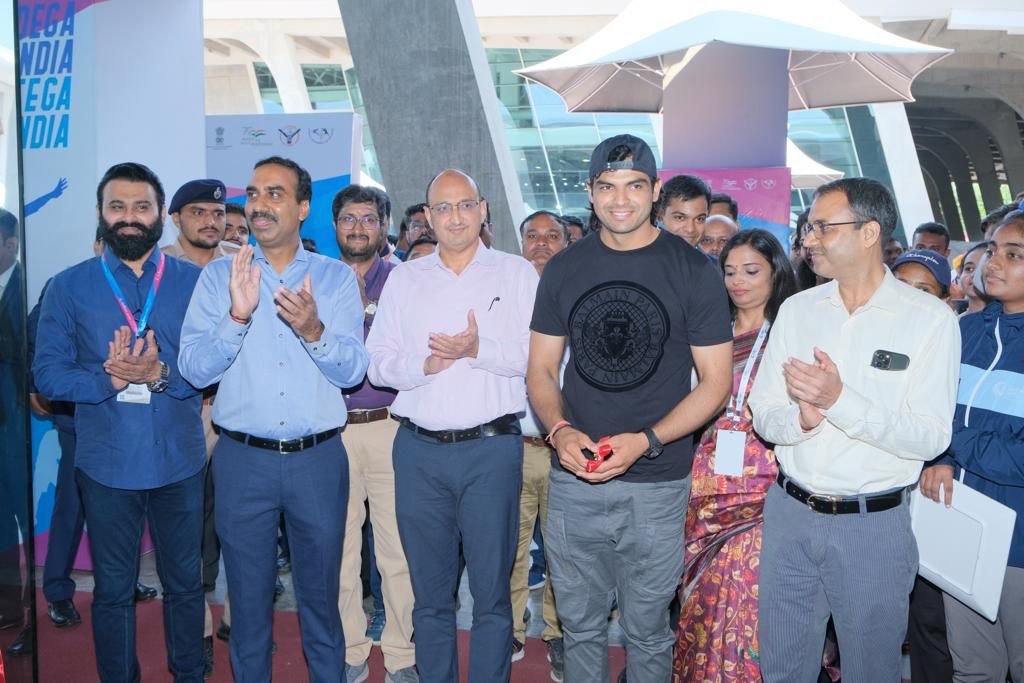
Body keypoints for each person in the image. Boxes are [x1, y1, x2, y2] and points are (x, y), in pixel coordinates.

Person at [528, 134, 733, 682]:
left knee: (648, 631)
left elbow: (717, 384)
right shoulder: (564, 268)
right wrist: (560, 430)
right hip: (575, 477)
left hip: (658, 480)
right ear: (591, 193)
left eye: (635, 186)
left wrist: (647, 440)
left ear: (655, 191)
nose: (621, 199)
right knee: (581, 627)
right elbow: (542, 370)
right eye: (608, 187)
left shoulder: (693, 270)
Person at [748, 177, 961, 683]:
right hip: (790, 514)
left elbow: (931, 436)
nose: (809, 239)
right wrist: (801, 418)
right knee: (781, 665)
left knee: (871, 669)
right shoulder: (798, 310)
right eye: (808, 227)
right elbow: (763, 411)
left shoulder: (929, 320)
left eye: (823, 226)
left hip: (873, 525)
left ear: (869, 233)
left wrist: (839, 400)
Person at [178, 156, 368, 682]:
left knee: (321, 600)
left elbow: (354, 370)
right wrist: (237, 315)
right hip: (242, 461)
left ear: (303, 207)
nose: (259, 204)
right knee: (247, 603)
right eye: (255, 193)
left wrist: (314, 331)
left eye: (275, 193)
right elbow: (192, 368)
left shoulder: (333, 279)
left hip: (318, 461)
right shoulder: (221, 276)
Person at [33, 162, 207, 682]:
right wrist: (104, 382)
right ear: (100, 215)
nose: (129, 218)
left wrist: (161, 373)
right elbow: (47, 374)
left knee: (184, 584)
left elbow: (215, 365)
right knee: (112, 591)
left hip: (179, 460)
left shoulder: (194, 283)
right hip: (106, 465)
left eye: (140, 207)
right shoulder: (66, 288)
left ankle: (190, 673)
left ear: (160, 216)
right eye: (117, 207)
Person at [366, 168, 538, 683]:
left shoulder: (516, 273)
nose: (455, 217)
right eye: (443, 208)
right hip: (420, 452)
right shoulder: (405, 278)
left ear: (483, 209)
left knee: (491, 593)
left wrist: (476, 349)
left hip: (492, 451)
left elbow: (537, 358)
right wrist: (424, 365)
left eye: (464, 205)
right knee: (429, 594)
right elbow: (377, 364)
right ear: (428, 217)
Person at [673, 228, 796, 682]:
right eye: (728, 271)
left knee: (747, 591)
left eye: (751, 271)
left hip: (765, 483)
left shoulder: (790, 333)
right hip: (704, 480)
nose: (738, 281)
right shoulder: (710, 331)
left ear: (776, 273)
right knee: (702, 597)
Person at [919, 210, 1024, 683]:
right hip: (959, 527)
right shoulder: (962, 332)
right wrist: (938, 455)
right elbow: (927, 411)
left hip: (1019, 541)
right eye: (993, 250)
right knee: (973, 669)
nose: (992, 262)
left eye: (1013, 254)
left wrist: (948, 443)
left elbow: (1017, 460)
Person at [331, 184, 417, 683]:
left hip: (390, 428)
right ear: (335, 225)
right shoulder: (316, 280)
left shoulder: (407, 281)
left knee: (397, 550)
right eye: (349, 218)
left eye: (369, 218)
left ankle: (402, 655)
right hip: (330, 432)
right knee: (337, 548)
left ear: (385, 226)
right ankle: (350, 649)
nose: (358, 227)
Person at [513, 210, 568, 680]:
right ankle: (510, 628)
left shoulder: (578, 294)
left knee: (563, 552)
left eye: (553, 237)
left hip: (562, 449)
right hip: (511, 443)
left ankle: (557, 633)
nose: (542, 244)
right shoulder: (505, 295)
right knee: (507, 546)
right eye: (533, 236)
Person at [656, 174, 711, 248]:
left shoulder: (708, 259)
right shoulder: (640, 257)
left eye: (700, 219)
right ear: (660, 216)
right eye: (680, 218)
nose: (690, 229)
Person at [956, 242, 989, 316]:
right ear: (960, 274)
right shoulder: (952, 321)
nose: (974, 275)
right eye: (969, 269)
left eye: (983, 269)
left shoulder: (1011, 323)